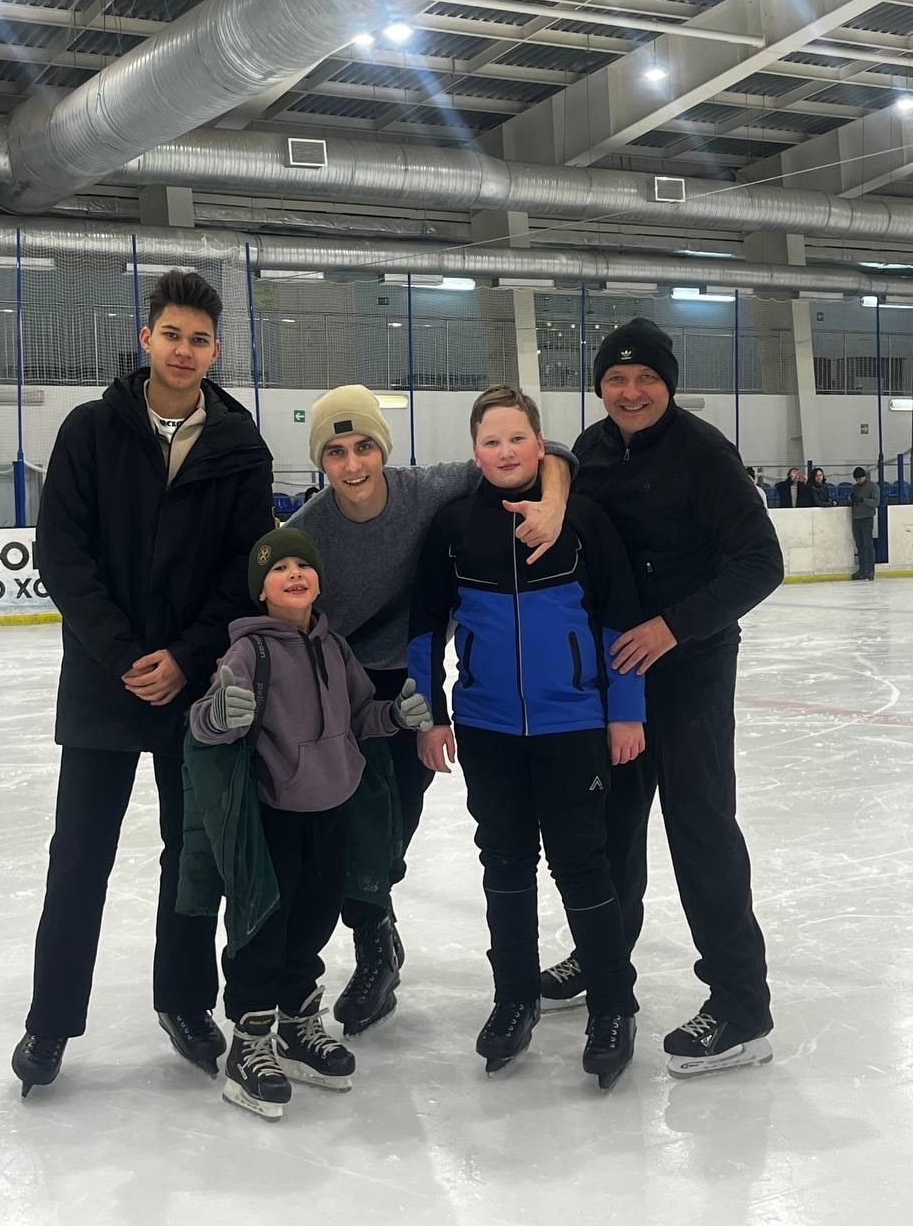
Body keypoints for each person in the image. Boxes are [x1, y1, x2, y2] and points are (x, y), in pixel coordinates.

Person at [11, 270, 274, 1097]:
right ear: (146, 339)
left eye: (199, 340)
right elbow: (64, 554)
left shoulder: (241, 446)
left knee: (191, 857)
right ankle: (51, 1019)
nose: (183, 351)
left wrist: (188, 659)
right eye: (172, 335)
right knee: (78, 855)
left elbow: (244, 570)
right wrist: (124, 655)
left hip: (192, 690)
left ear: (215, 351)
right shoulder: (90, 430)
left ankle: (185, 1001)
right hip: (104, 683)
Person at [288, 384, 575, 1036]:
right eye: (336, 452)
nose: (353, 464)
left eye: (364, 446)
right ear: (321, 461)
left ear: (383, 449)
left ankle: (378, 927)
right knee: (349, 830)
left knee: (394, 827)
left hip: (412, 682)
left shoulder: (427, 490)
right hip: (337, 693)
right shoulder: (308, 531)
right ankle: (375, 949)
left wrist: (555, 500)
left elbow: (545, 450)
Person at [540, 317, 785, 1079]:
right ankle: (603, 956)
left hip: (690, 667)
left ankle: (741, 1006)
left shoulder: (704, 454)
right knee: (611, 824)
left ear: (669, 384)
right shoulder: (592, 449)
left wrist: (673, 627)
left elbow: (762, 562)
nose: (631, 391)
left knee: (699, 826)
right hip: (617, 672)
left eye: (646, 377)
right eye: (617, 378)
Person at [408, 386, 645, 1086]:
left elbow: (620, 617)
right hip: (487, 728)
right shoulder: (453, 526)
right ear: (475, 452)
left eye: (517, 438)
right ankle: (514, 998)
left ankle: (613, 1005)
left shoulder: (584, 519)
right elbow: (424, 629)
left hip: (574, 724)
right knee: (505, 864)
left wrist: (625, 711)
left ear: (541, 445)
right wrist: (431, 715)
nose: (506, 451)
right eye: (492, 440)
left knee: (582, 864)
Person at [185, 528, 431, 1121]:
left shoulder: (334, 647)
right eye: (279, 568)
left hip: (332, 807)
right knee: (263, 927)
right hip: (274, 813)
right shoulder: (249, 652)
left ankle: (297, 1023)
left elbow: (360, 715)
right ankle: (250, 1042)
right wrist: (220, 714)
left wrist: (395, 717)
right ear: (261, 589)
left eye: (303, 564)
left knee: (315, 919)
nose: (294, 574)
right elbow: (204, 722)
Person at [850, 466, 880, 581]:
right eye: (856, 479)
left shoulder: (873, 486)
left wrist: (863, 500)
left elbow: (876, 502)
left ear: (864, 477)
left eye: (860, 479)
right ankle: (862, 569)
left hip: (867, 518)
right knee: (859, 545)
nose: (858, 481)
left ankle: (870, 570)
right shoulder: (855, 488)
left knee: (868, 545)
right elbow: (853, 500)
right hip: (856, 518)